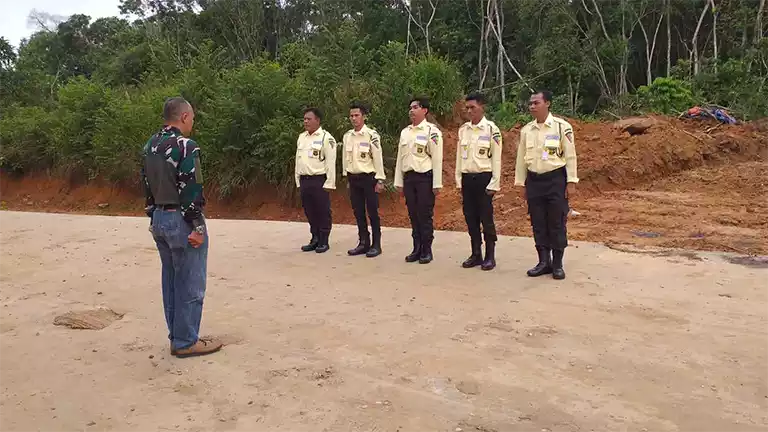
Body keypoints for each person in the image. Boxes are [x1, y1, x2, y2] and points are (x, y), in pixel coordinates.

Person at [141, 96, 222, 358]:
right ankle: (186, 341)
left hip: (159, 219)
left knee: (171, 279)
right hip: (181, 219)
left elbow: (146, 186)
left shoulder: (150, 146)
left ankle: (177, 336)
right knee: (190, 281)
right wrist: (197, 227)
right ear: (184, 117)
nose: (193, 123)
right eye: (193, 118)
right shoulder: (186, 146)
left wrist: (153, 215)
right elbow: (191, 189)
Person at [514, 90, 578, 280]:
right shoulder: (527, 130)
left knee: (556, 222)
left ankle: (557, 264)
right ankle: (543, 262)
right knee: (538, 222)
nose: (532, 106)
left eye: (536, 103)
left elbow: (570, 155)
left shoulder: (561, 127)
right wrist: (521, 183)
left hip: (555, 180)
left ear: (547, 103)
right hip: (534, 181)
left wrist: (571, 181)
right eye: (530, 103)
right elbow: (521, 159)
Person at [455, 92, 502, 271]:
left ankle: (490, 255)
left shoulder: (491, 130)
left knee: (486, 219)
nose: (469, 111)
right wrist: (459, 180)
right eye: (467, 108)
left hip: (484, 179)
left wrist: (494, 183)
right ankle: (476, 254)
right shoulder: (463, 130)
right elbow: (460, 157)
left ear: (482, 107)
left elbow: (496, 159)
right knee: (470, 218)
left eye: (473, 107)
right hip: (468, 179)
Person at [394, 96, 443, 264]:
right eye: (410, 107)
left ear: (425, 110)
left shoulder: (432, 131)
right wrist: (398, 182)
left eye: (415, 107)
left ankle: (427, 250)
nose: (411, 110)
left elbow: (437, 158)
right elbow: (400, 158)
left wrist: (437, 183)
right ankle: (416, 247)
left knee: (424, 214)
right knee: (413, 214)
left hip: (424, 178)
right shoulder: (405, 132)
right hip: (409, 178)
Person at [342, 101, 385, 258]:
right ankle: (363, 242)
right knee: (358, 212)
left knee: (372, 212)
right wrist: (346, 176)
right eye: (351, 116)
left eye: (357, 115)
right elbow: (345, 159)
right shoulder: (348, 136)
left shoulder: (372, 135)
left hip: (369, 178)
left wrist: (380, 180)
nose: (354, 118)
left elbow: (378, 158)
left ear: (363, 117)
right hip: (354, 178)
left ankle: (376, 244)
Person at [295, 107, 337, 253]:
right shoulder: (302, 137)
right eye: (304, 119)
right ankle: (315, 238)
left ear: (317, 120)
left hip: (319, 180)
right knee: (309, 211)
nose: (306, 121)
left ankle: (324, 240)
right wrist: (298, 180)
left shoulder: (326, 138)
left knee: (322, 211)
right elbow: (298, 160)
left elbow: (330, 162)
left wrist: (330, 183)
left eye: (309, 119)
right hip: (305, 179)